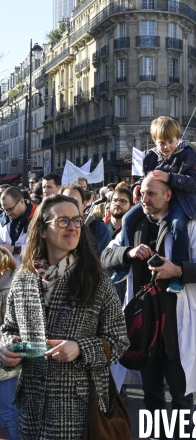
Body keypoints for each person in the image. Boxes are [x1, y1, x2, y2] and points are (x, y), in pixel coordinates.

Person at [101, 173, 196, 440]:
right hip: (145, 326)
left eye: (151, 194)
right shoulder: (134, 226)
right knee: (151, 394)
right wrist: (127, 253)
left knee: (181, 396)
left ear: (168, 195)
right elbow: (106, 256)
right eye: (141, 193)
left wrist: (177, 269)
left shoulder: (192, 227)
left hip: (178, 328)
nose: (144, 199)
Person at [0, 194, 129, 440]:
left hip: (79, 407)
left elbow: (119, 341)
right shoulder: (24, 278)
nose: (72, 227)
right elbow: (8, 328)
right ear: (43, 230)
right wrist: (6, 348)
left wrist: (80, 348)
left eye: (76, 220)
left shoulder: (97, 280)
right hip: (30, 406)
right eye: (62, 221)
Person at [120, 117, 196, 293]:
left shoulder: (188, 154)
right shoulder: (150, 156)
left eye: (170, 142)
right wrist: (138, 187)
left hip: (180, 199)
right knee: (127, 218)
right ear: (154, 141)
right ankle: (125, 261)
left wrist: (170, 178)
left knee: (177, 224)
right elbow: (145, 179)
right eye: (161, 143)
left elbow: (195, 182)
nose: (166, 147)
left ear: (178, 138)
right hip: (154, 200)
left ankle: (177, 271)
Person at [60, 183, 111, 255]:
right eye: (66, 202)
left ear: (84, 204)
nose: (71, 206)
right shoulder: (56, 228)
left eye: (75, 202)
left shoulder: (98, 228)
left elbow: (102, 262)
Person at [0, 247, 19, 440]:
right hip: (7, 364)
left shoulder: (8, 291)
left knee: (8, 415)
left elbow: (10, 330)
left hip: (8, 367)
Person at [0, 188, 38, 258]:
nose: (7, 214)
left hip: (30, 267)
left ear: (21, 201)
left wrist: (13, 249)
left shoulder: (39, 218)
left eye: (10, 209)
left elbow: (41, 249)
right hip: (6, 267)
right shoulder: (2, 219)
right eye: (4, 209)